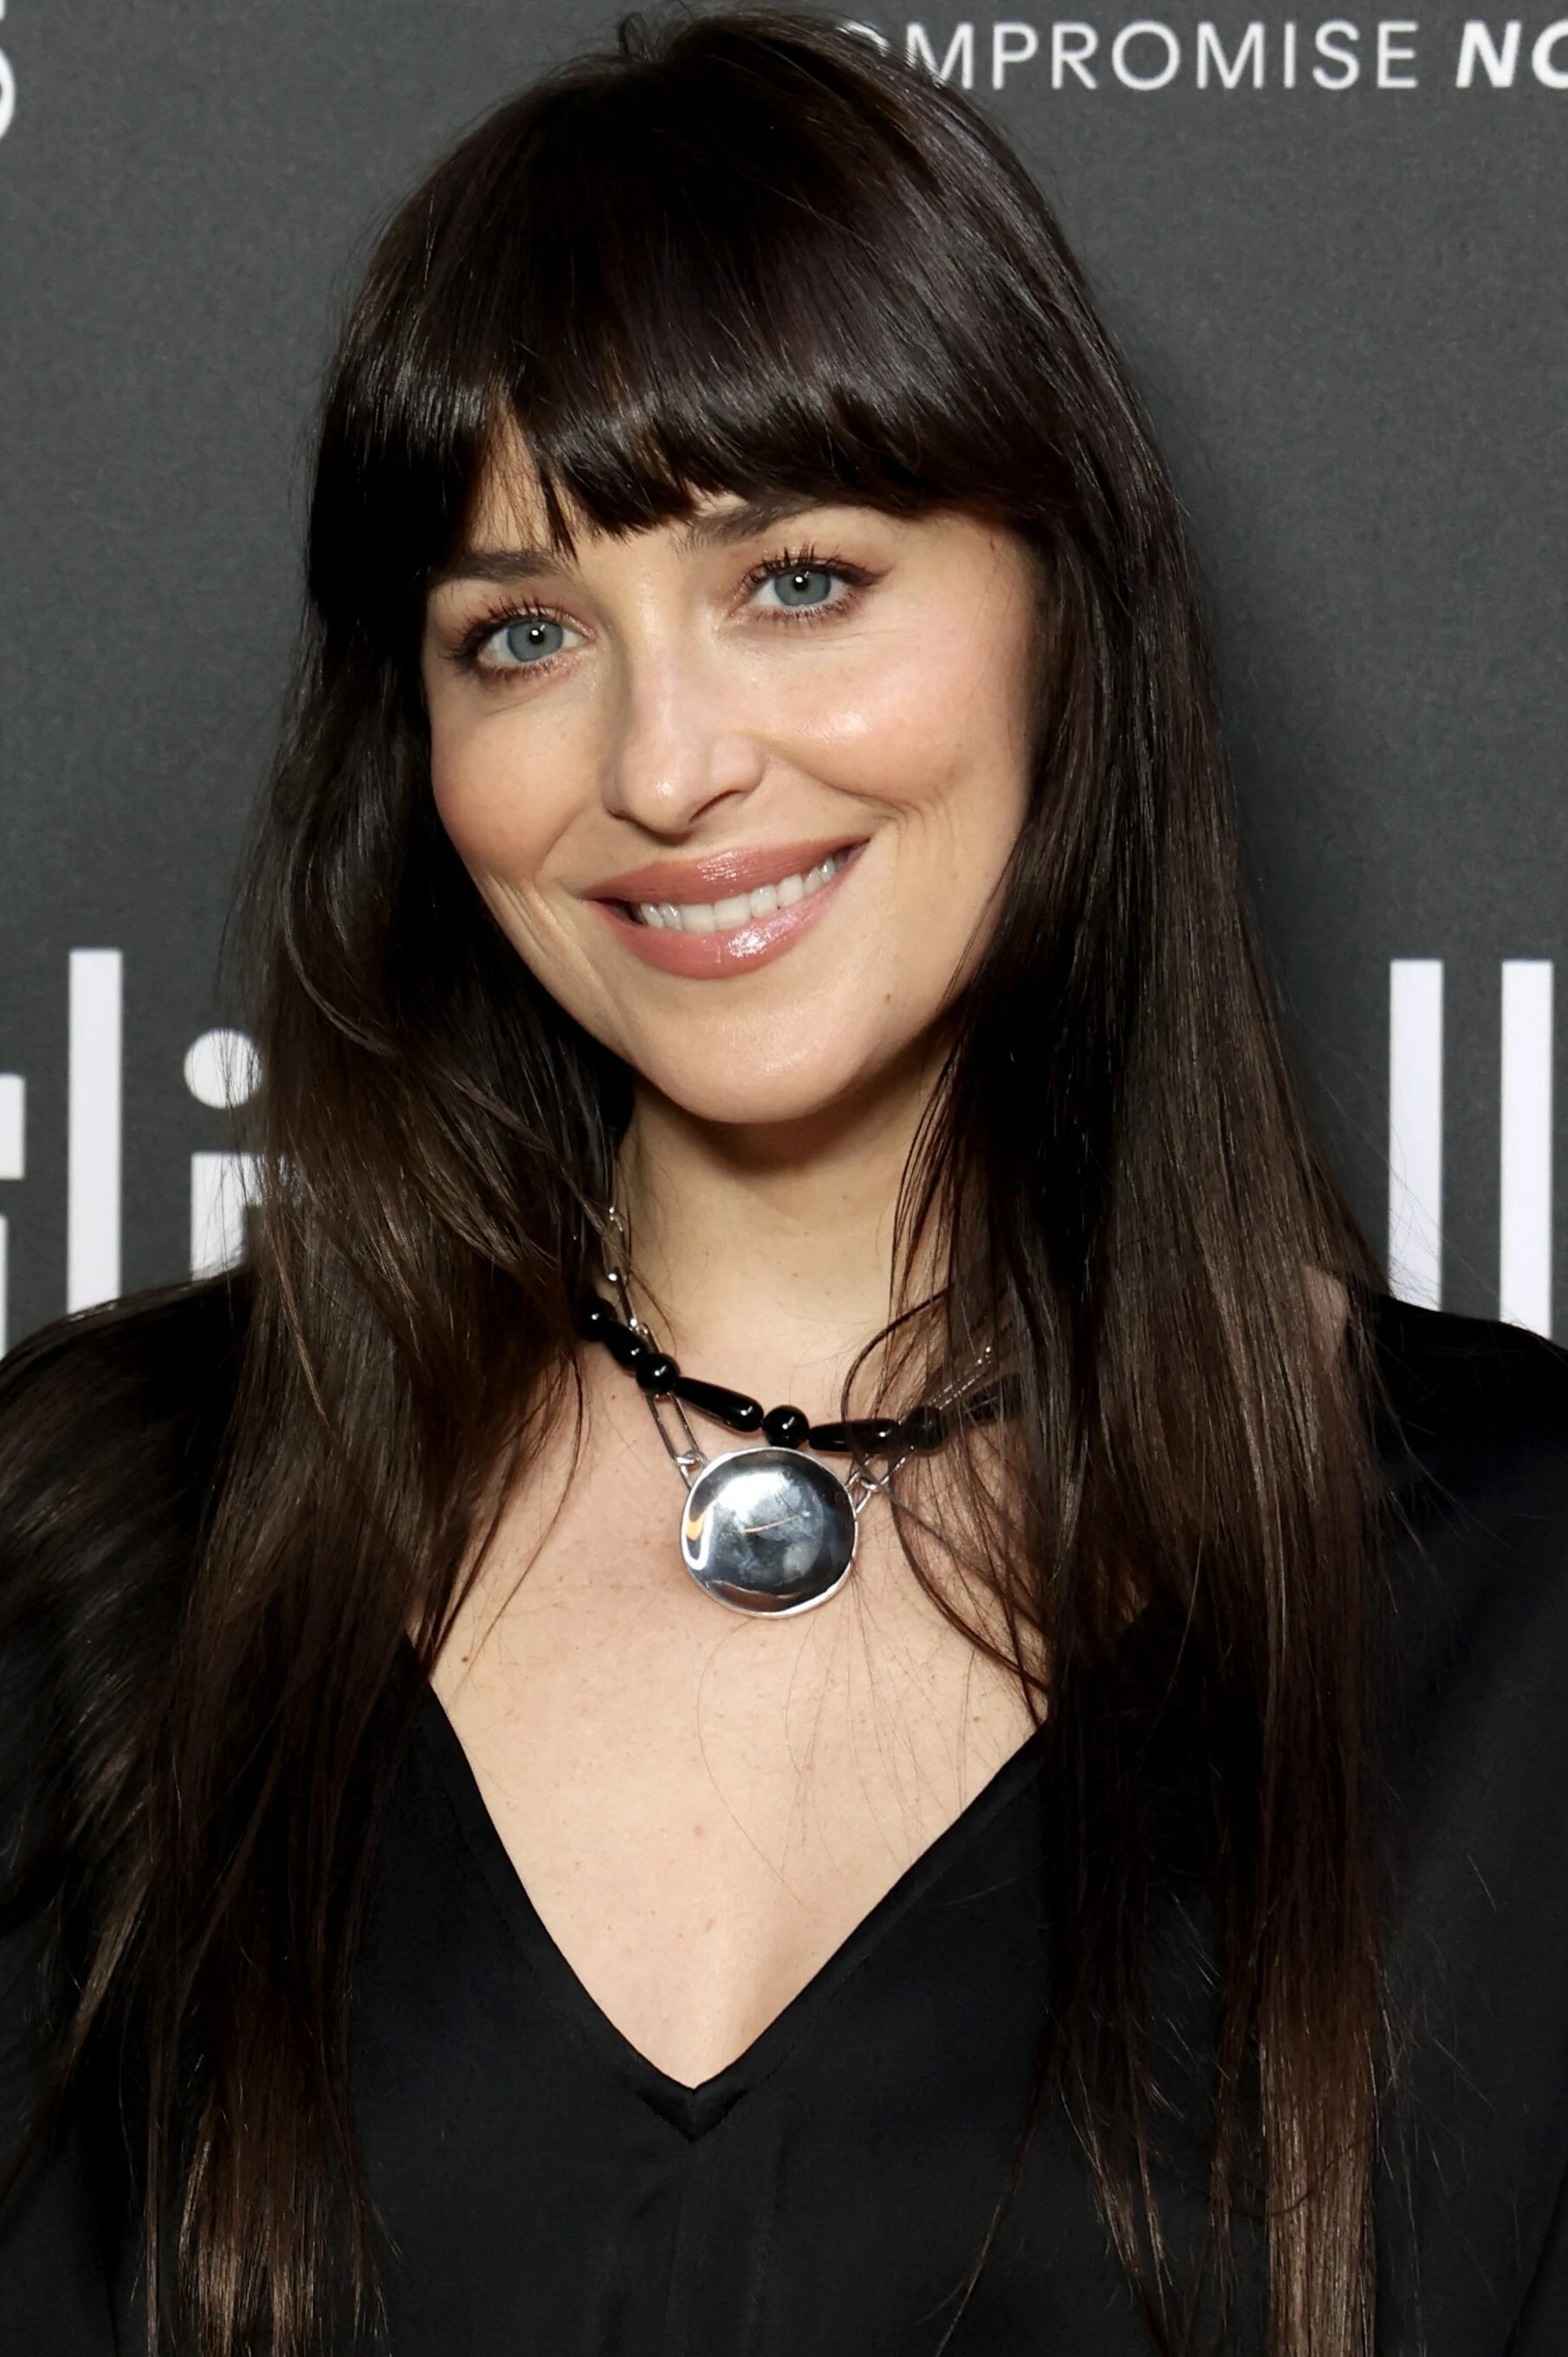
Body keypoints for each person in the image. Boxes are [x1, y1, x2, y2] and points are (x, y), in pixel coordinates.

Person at [3, 10, 1566, 2354]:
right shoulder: (87, 1538)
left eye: (797, 581)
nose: (664, 765)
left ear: (1062, 607)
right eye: (525, 634)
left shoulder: (1518, 1601)